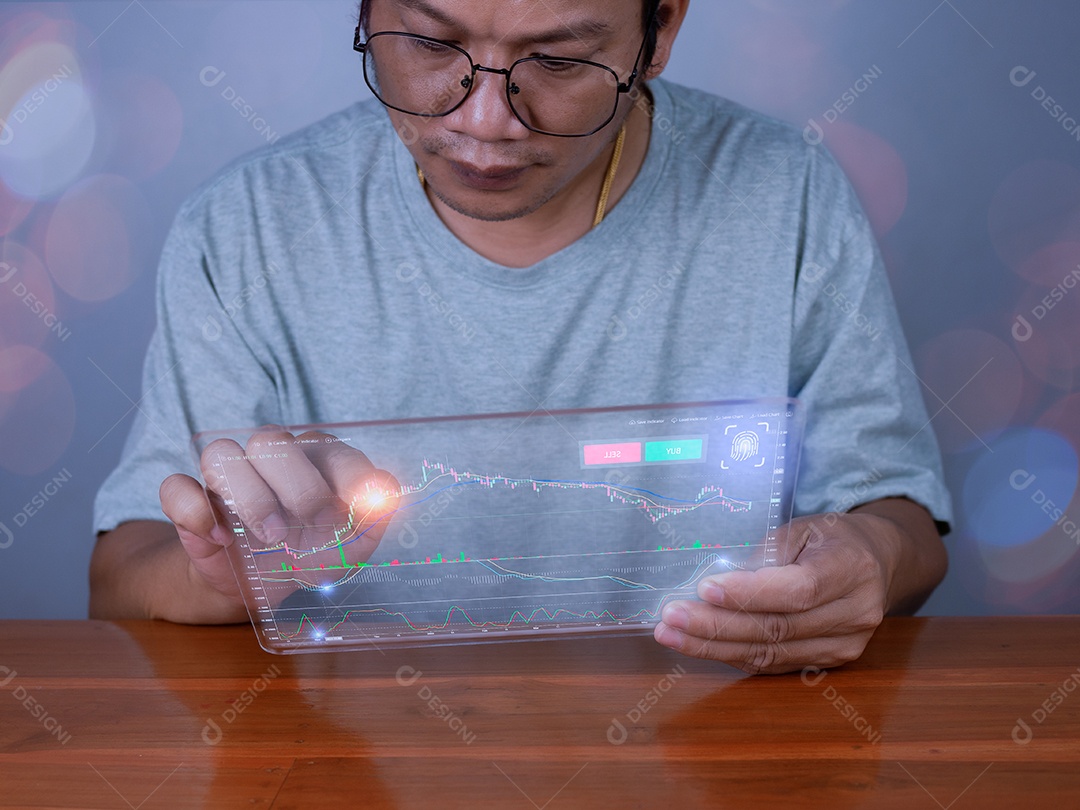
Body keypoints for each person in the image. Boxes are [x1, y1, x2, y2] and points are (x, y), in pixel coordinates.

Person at [89, 0, 952, 674]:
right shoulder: (246, 227)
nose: (488, 121)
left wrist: (869, 555)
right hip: (347, 766)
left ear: (660, 32)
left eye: (561, 59)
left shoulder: (785, 192)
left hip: (704, 750)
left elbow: (901, 517)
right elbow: (119, 575)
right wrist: (224, 574)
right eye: (431, 45)